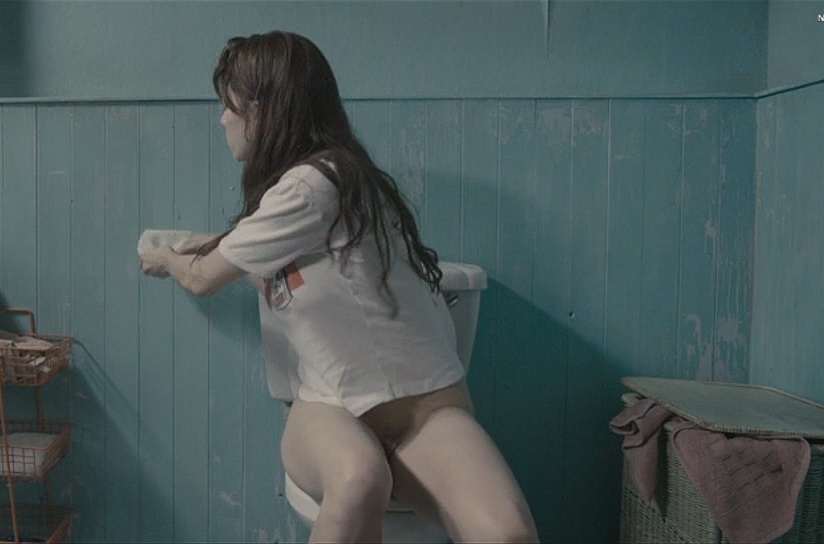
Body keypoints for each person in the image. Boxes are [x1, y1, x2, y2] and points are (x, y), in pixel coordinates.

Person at [137, 30, 539, 544]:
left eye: (227, 104)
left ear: (260, 108)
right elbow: (258, 251)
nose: (222, 119)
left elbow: (202, 278)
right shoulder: (338, 176)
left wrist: (164, 258)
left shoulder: (310, 185)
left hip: (427, 410)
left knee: (508, 535)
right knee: (358, 480)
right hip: (332, 409)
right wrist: (195, 242)